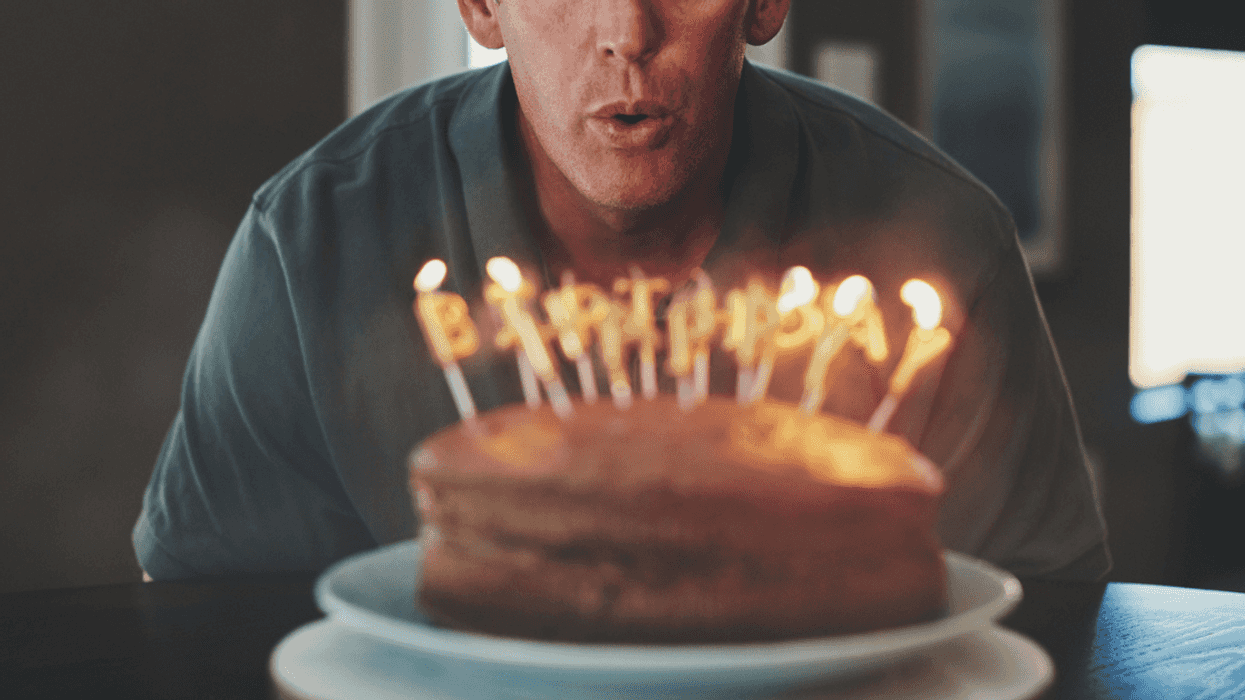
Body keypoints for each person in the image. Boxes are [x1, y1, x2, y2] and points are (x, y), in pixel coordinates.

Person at [134, 0, 1110, 581]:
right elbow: (207, 630)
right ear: (479, 5)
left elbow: (1039, 623)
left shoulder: (937, 247)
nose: (625, 31)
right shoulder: (311, 249)